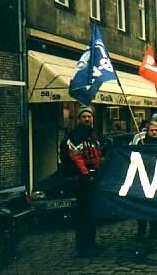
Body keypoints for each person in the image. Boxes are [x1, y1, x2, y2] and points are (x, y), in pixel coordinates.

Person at [66, 106, 104, 257]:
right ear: (79, 119)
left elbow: (98, 155)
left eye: (89, 116)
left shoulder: (93, 136)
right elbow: (75, 157)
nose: (87, 119)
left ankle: (91, 243)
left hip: (93, 178)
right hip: (82, 180)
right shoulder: (75, 135)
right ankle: (82, 247)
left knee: (91, 212)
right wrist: (86, 174)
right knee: (83, 214)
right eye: (84, 117)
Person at [134, 121, 157, 239]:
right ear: (147, 131)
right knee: (141, 204)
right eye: (151, 130)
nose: (154, 133)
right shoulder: (141, 142)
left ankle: (154, 230)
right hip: (143, 176)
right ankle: (141, 230)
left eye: (156, 130)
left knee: (154, 205)